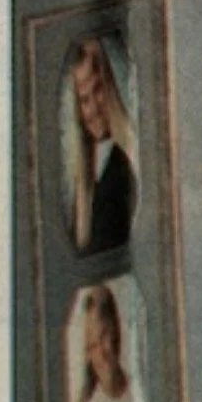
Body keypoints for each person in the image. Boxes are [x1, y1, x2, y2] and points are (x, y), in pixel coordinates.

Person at [66, 38, 137, 256]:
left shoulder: (127, 164)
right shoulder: (83, 181)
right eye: (85, 100)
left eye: (98, 90)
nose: (94, 108)